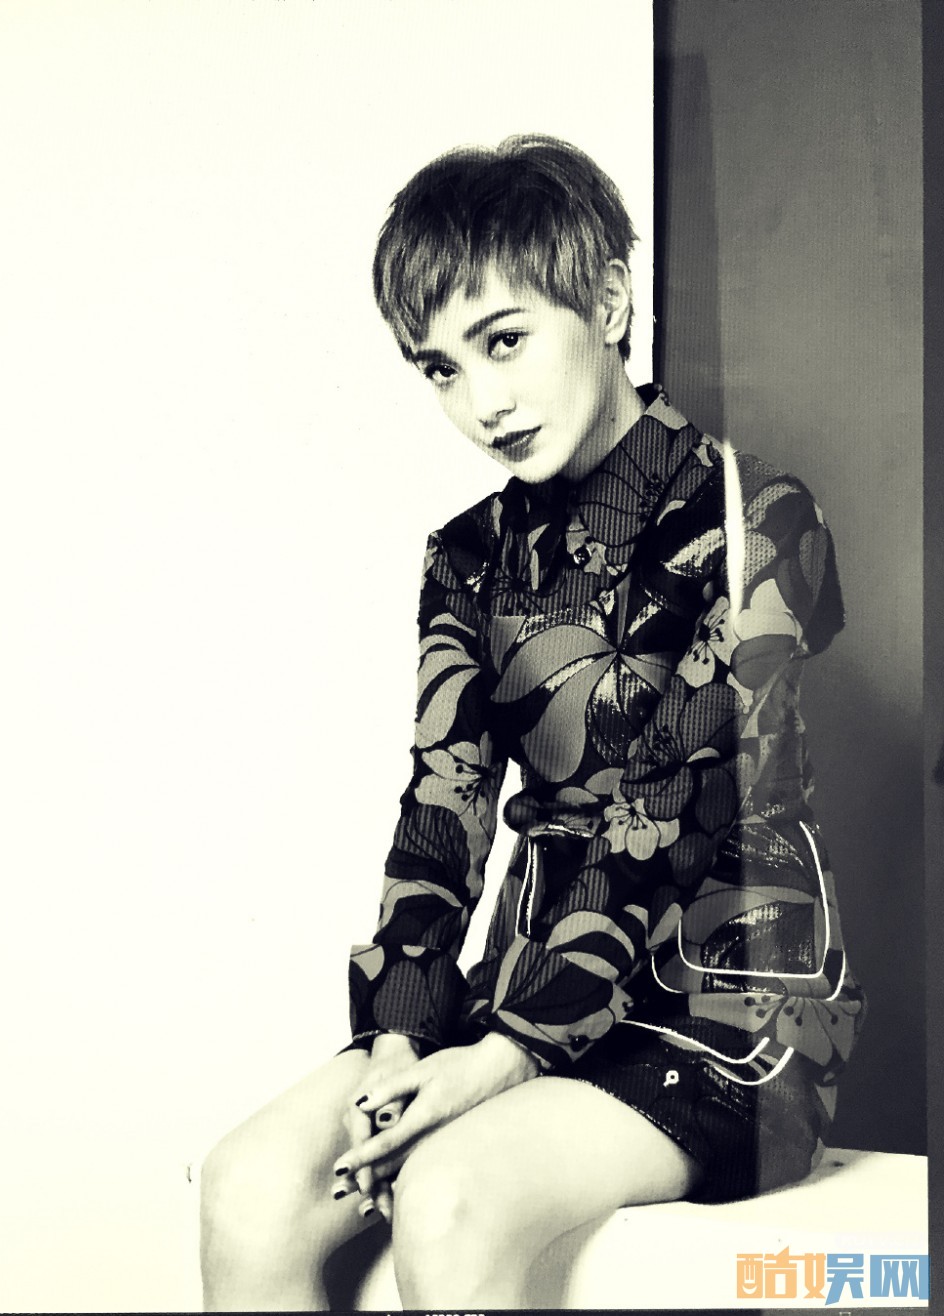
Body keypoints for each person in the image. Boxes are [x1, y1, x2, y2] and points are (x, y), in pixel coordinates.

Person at [199, 134, 865, 1312]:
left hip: (723, 1005)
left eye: (502, 340)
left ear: (606, 301)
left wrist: (500, 1058)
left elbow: (676, 807)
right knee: (246, 1184)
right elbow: (442, 805)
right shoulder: (466, 557)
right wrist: (405, 1035)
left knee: (449, 1191)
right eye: (440, 368)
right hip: (518, 989)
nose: (481, 402)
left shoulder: (758, 518)